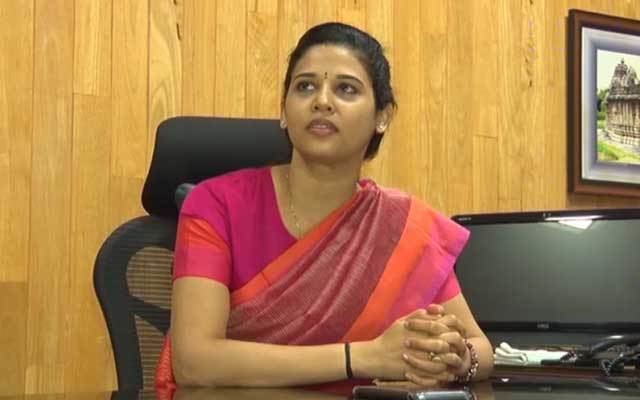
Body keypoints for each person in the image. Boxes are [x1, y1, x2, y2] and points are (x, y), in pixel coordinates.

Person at [155, 22, 493, 389]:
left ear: (383, 117)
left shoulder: (404, 226)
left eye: (345, 89)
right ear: (284, 111)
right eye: (305, 86)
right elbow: (196, 362)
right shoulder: (215, 205)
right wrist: (362, 357)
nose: (322, 101)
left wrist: (455, 359)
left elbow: (482, 350)